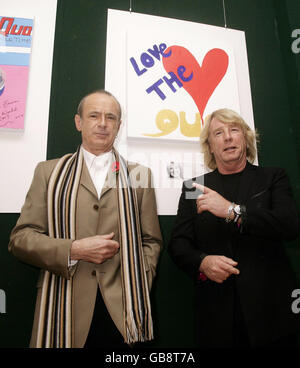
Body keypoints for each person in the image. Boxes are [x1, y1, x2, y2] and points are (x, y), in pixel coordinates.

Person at [9, 89, 162, 348]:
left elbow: (151, 241)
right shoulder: (48, 172)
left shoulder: (140, 176)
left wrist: (138, 279)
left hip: (123, 313)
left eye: (110, 117)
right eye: (94, 115)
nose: (103, 123)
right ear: (79, 122)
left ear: (119, 126)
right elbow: (21, 239)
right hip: (63, 306)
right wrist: (73, 249)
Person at [168, 108, 300, 348]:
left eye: (234, 130)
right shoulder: (194, 187)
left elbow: (289, 225)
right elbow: (178, 244)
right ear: (209, 145)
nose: (228, 137)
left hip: (272, 314)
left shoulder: (273, 177)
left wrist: (232, 211)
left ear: (245, 139)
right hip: (217, 316)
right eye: (218, 133)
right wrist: (202, 262)